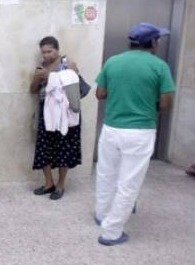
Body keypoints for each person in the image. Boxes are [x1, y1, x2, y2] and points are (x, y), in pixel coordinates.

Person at [95, 23, 176, 246]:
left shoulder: (113, 61)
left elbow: (100, 93)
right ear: (151, 43)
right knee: (128, 182)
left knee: (106, 174)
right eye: (157, 40)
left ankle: (102, 214)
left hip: (111, 128)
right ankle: (111, 232)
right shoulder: (160, 66)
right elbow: (166, 104)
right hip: (140, 131)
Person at [29, 36, 81, 200]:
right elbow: (32, 90)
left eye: (49, 51)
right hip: (46, 111)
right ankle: (48, 182)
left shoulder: (68, 63)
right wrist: (38, 78)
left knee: (63, 147)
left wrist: (49, 75)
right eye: (43, 52)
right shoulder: (41, 66)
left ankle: (61, 184)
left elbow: (72, 82)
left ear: (57, 50)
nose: (46, 55)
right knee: (44, 147)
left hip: (64, 112)